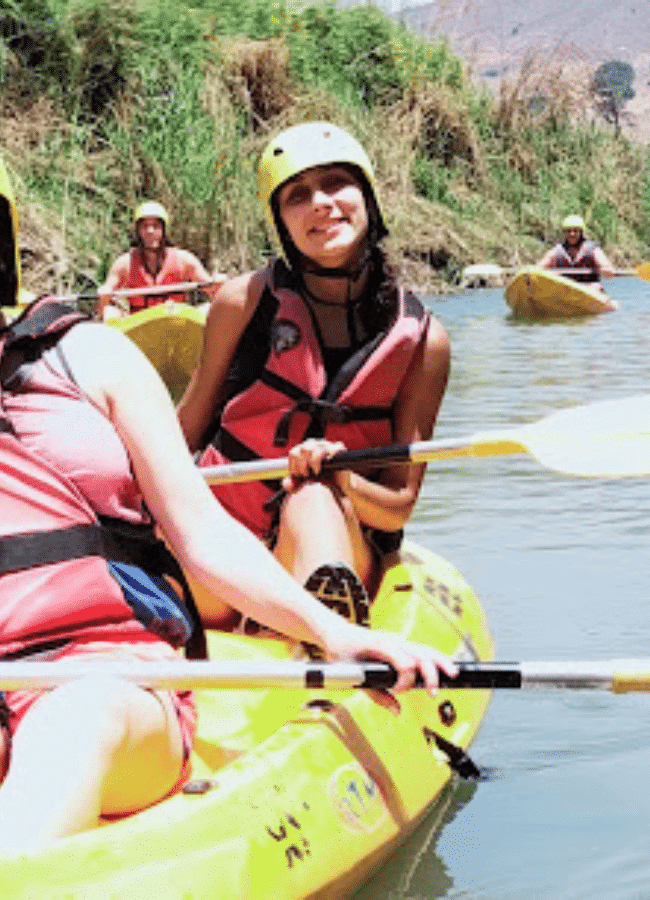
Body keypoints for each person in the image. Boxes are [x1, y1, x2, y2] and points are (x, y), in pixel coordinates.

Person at [0, 119, 456, 869]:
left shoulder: (91, 356)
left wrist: (333, 633)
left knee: (73, 720)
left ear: (1, 250)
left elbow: (199, 535)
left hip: (113, 684)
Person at [177, 122, 451, 630]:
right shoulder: (243, 303)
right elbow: (183, 431)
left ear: (366, 197)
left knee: (313, 497)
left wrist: (341, 475)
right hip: (230, 549)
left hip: (338, 538)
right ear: (281, 221)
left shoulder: (423, 342)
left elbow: (398, 508)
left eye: (335, 184)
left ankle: (321, 637)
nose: (321, 203)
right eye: (297, 195)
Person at [96, 200, 224, 319]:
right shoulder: (124, 264)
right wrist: (104, 295)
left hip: (177, 323)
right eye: (145, 226)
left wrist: (218, 284)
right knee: (110, 313)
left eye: (155, 226)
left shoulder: (184, 260)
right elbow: (104, 305)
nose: (150, 231)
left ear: (163, 230)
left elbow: (212, 290)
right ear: (138, 231)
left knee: (208, 309)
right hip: (139, 326)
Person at [536, 214, 616, 286]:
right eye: (569, 231)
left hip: (589, 290)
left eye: (575, 231)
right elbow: (539, 268)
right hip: (565, 291)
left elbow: (606, 267)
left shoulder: (592, 249)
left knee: (596, 287)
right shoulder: (557, 251)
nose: (572, 234)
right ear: (565, 233)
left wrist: (606, 270)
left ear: (581, 232)